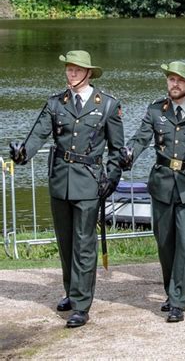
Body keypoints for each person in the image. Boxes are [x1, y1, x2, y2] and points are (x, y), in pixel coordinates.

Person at [9, 50, 124, 328]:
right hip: (61, 181)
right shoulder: (55, 103)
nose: (70, 74)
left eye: (76, 70)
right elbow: (38, 134)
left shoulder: (107, 105)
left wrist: (113, 175)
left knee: (84, 243)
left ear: (88, 73)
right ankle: (72, 293)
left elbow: (118, 150)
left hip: (89, 181)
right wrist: (23, 154)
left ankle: (82, 305)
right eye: (68, 69)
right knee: (65, 242)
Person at [124, 61, 185, 323]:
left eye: (179, 80)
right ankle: (171, 291)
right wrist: (129, 153)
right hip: (163, 184)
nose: (173, 84)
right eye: (170, 79)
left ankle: (179, 301)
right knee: (166, 244)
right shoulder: (156, 110)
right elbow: (140, 138)